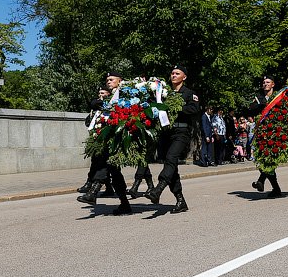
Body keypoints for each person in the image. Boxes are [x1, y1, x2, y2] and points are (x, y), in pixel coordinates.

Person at [143, 65, 199, 213]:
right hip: (166, 132)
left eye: (177, 73)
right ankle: (180, 200)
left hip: (181, 131)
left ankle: (158, 189)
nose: (173, 75)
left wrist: (176, 108)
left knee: (171, 158)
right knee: (171, 165)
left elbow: (194, 109)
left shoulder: (189, 93)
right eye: (172, 73)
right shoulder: (164, 92)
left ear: (184, 77)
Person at [76, 72, 133, 214]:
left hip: (117, 138)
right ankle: (124, 204)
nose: (108, 81)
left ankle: (93, 192)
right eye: (107, 80)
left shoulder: (125, 94)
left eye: (111, 79)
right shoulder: (108, 98)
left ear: (120, 81)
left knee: (105, 165)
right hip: (106, 137)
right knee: (114, 172)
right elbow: (94, 103)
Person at [247, 76, 284, 196]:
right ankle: (275, 189)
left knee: (270, 159)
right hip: (262, 131)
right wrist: (261, 105)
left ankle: (261, 181)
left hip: (275, 131)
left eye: (268, 82)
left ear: (273, 84)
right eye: (263, 82)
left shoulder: (278, 97)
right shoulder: (258, 97)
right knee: (264, 159)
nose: (265, 84)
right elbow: (251, 109)